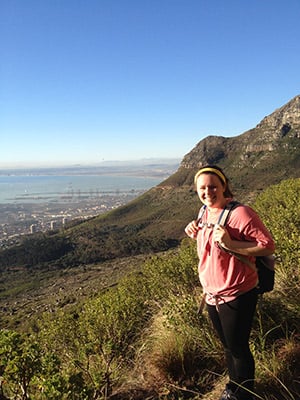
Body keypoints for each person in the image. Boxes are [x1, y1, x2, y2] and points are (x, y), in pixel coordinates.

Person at [185, 165, 275, 400]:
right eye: (202, 188)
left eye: (213, 186)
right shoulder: (204, 212)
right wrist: (193, 229)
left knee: (238, 347)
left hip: (237, 292)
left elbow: (267, 245)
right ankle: (234, 388)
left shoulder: (240, 213)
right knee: (227, 346)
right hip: (211, 293)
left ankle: (244, 394)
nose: (208, 192)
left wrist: (231, 243)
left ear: (224, 186)